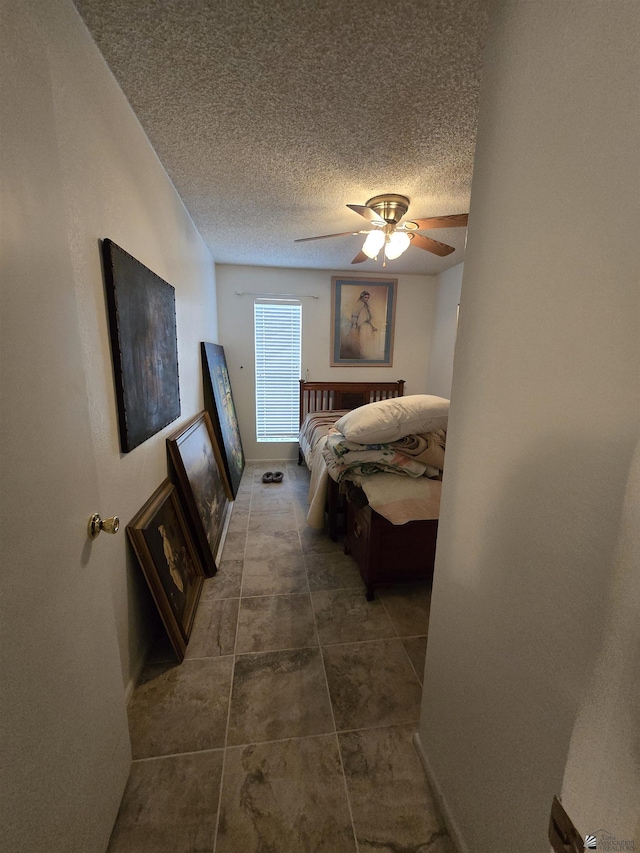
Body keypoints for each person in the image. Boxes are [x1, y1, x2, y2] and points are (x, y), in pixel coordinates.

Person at [340, 290, 378, 359]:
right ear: (362, 297)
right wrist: (354, 324)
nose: (366, 299)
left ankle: (366, 354)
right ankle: (362, 354)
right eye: (365, 297)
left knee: (367, 340)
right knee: (362, 340)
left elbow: (368, 316)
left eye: (368, 297)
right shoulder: (359, 304)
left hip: (367, 325)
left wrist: (373, 326)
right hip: (361, 325)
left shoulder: (366, 305)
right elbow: (355, 315)